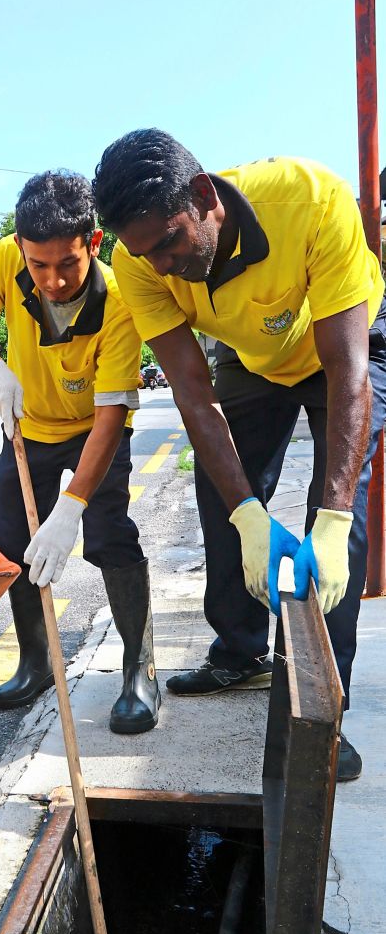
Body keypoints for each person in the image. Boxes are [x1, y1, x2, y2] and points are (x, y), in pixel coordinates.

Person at [93, 129, 386, 780]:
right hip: (254, 359)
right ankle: (240, 651)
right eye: (146, 254)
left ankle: (324, 719)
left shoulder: (309, 199)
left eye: (170, 241)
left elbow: (347, 373)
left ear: (204, 196)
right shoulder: (141, 258)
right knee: (224, 492)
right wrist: (249, 516)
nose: (161, 265)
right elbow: (196, 399)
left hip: (344, 339)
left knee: (341, 518)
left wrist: (333, 519)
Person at [0, 171, 160, 734]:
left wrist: (71, 510)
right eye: (39, 266)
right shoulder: (6, 261)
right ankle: (37, 661)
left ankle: (140, 670)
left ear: (92, 243)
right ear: (21, 249)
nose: (54, 280)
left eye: (67, 263)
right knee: (14, 543)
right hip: (30, 429)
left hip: (96, 430)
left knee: (110, 534)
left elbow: (111, 416)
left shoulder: (119, 301)